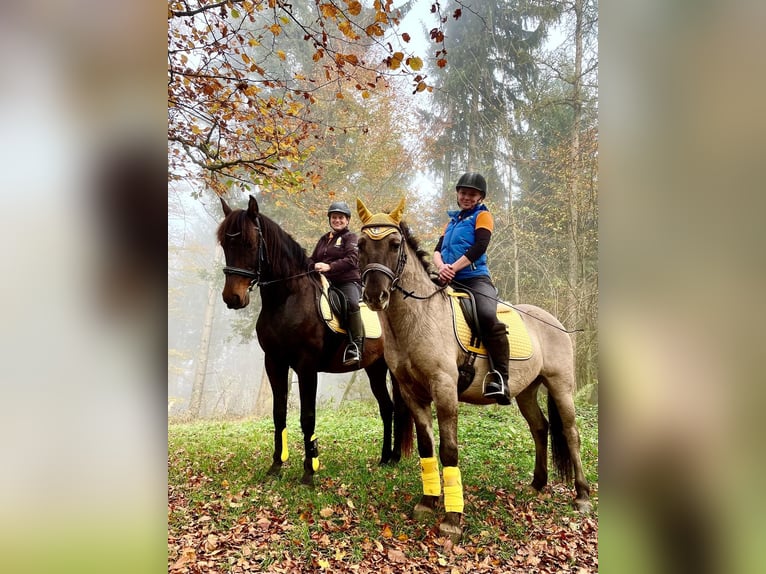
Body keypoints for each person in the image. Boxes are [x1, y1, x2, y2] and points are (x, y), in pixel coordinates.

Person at [433, 172, 511, 404]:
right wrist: (441, 268)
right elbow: (437, 249)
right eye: (463, 193)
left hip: (475, 278)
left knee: (488, 316)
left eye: (472, 194)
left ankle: (501, 378)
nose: (467, 197)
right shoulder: (452, 221)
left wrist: (453, 268)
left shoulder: (483, 215)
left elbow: (480, 246)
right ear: (458, 194)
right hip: (447, 277)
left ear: (479, 197)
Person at [309, 201, 364, 366]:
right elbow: (313, 259)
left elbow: (352, 260)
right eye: (334, 217)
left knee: (352, 303)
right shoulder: (324, 239)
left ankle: (356, 345)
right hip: (325, 281)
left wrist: (329, 267)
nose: (337, 220)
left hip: (347, 281)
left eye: (341, 217)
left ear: (347, 220)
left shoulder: (351, 237)